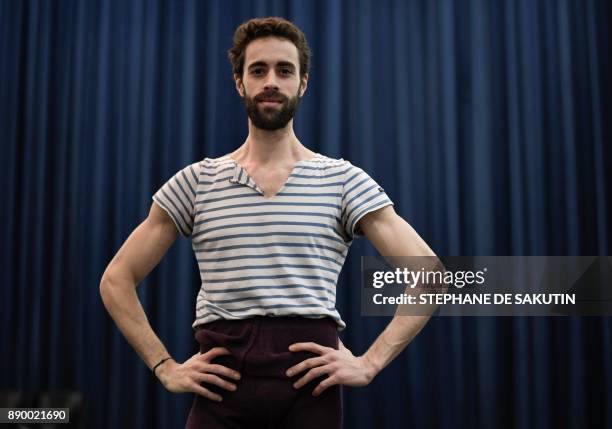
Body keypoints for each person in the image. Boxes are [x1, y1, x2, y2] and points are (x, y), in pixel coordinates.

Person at [100, 16, 438, 429]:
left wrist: (370, 363)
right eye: (258, 70)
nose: (271, 81)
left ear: (303, 83)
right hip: (221, 391)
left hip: (309, 395)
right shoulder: (196, 182)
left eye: (285, 70)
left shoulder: (343, 180)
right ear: (239, 83)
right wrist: (165, 366)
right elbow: (116, 279)